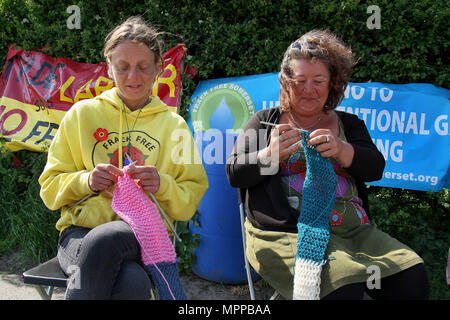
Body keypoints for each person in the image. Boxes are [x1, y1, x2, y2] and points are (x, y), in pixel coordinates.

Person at [226, 29, 429, 300]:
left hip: (354, 231)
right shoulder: (265, 121)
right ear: (285, 82)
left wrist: (344, 150)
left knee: (411, 274)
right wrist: (269, 156)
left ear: (333, 83)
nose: (308, 89)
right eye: (299, 80)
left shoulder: (349, 124)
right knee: (344, 284)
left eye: (318, 81)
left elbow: (375, 168)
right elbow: (235, 173)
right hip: (286, 233)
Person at [39, 16, 208, 300]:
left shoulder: (174, 126)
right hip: (80, 236)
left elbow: (189, 199)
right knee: (132, 284)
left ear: (158, 69)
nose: (133, 77)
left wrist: (162, 184)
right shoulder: (81, 115)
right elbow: (49, 190)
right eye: (123, 67)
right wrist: (87, 181)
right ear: (109, 68)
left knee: (111, 238)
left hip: (145, 238)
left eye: (143, 67)